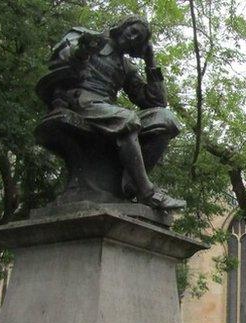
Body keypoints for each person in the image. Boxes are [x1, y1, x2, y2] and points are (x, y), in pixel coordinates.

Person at [41, 16, 184, 210]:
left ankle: (131, 184)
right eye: (132, 31)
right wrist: (82, 51)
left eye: (139, 39)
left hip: (106, 108)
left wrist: (150, 61)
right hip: (79, 99)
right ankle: (147, 192)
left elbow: (156, 101)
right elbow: (63, 56)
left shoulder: (125, 67)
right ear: (122, 26)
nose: (133, 38)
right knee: (127, 118)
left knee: (166, 119)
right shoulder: (89, 37)